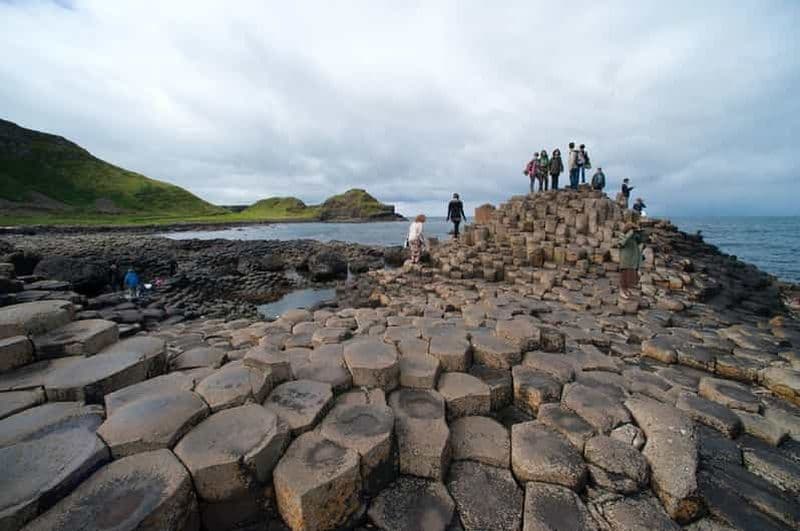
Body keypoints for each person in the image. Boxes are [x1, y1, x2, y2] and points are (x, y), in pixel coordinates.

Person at [618, 223, 647, 299]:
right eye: (632, 229)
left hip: (633, 261)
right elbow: (621, 244)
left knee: (629, 278)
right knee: (624, 277)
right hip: (626, 261)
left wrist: (641, 233)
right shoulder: (622, 235)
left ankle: (626, 290)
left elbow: (642, 241)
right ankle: (622, 291)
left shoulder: (634, 237)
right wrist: (630, 233)